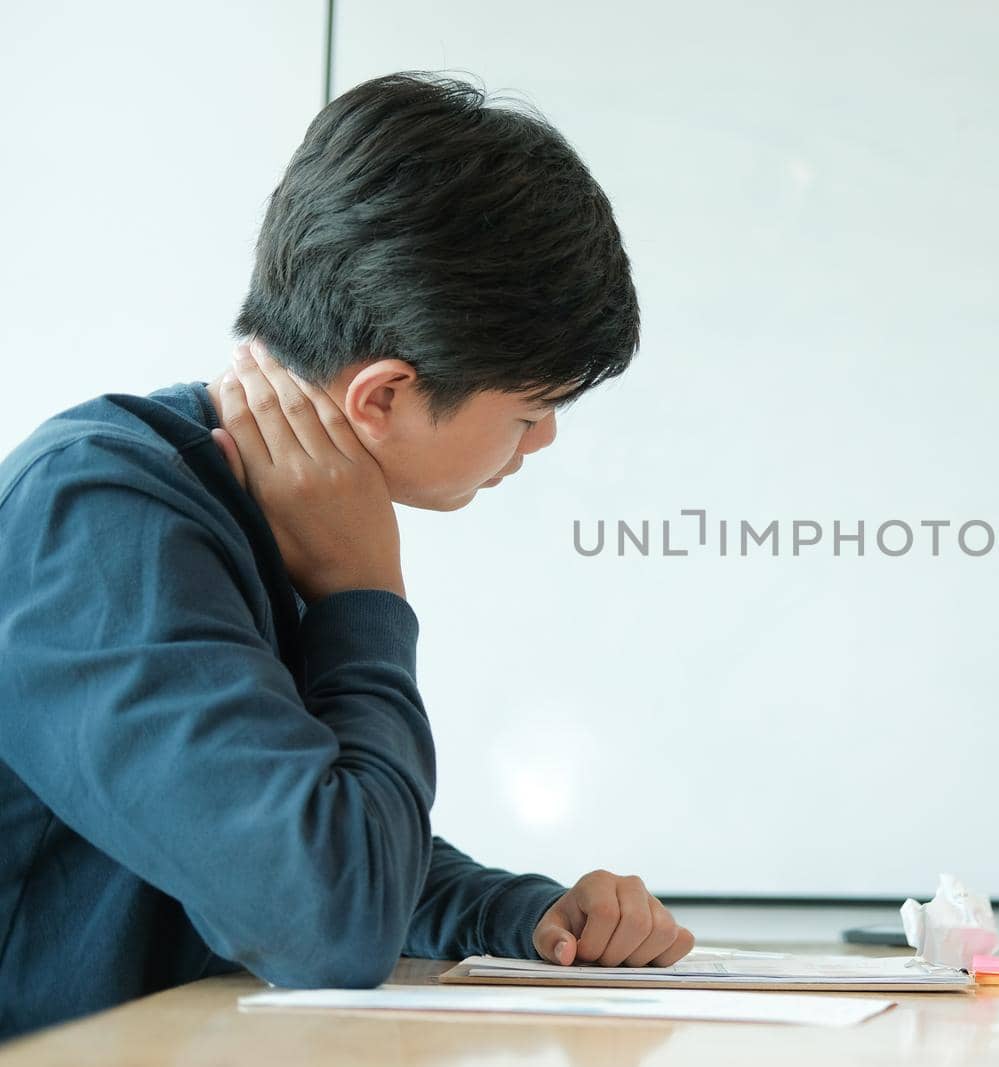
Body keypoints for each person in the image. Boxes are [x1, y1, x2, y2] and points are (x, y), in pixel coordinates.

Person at [0, 72, 690, 1041]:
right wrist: (366, 594)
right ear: (381, 397)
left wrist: (514, 913)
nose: (539, 446)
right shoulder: (100, 517)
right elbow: (327, 917)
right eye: (529, 413)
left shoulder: (230, 506)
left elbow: (297, 827)